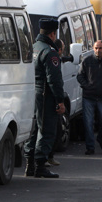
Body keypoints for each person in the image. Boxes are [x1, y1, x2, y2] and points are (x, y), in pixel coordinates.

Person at [23, 19, 65, 178]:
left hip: (31, 94)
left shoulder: (32, 48)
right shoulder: (50, 52)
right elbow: (54, 79)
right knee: (46, 129)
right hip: (45, 95)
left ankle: (30, 164)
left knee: (33, 129)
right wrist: (60, 100)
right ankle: (40, 165)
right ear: (53, 33)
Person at [76, 40, 102, 155]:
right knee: (88, 123)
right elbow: (80, 76)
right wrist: (87, 86)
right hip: (89, 96)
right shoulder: (87, 60)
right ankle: (90, 147)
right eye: (96, 48)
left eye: (100, 48)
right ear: (93, 48)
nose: (98, 50)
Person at [46, 38, 65, 167]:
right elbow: (55, 81)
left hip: (46, 98)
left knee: (54, 129)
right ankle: (44, 158)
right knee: (54, 129)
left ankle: (48, 156)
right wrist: (60, 101)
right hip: (49, 99)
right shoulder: (53, 57)